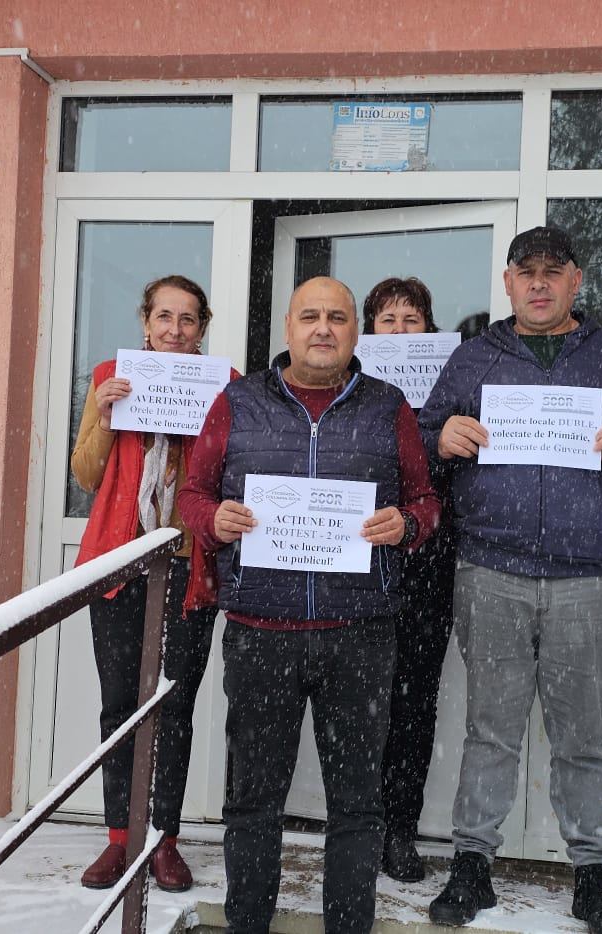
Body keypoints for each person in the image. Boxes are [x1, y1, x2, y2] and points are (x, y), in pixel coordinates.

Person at [178, 276, 442, 934]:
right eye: (310, 316)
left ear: (355, 333)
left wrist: (406, 525)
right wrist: (213, 520)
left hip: (360, 633)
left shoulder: (388, 406)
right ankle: (247, 924)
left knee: (357, 804)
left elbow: (425, 501)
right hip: (260, 632)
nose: (323, 328)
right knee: (253, 800)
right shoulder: (238, 401)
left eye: (338, 317)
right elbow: (193, 492)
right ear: (288, 328)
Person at [417, 226, 602, 934]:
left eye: (553, 271)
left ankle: (592, 875)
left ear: (576, 280)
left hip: (586, 578)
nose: (540, 283)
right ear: (509, 282)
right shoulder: (474, 356)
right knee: (490, 730)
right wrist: (440, 439)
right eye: (527, 272)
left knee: (581, 735)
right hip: (491, 570)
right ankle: (472, 866)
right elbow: (422, 441)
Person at [68, 274, 231, 893]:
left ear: (202, 328)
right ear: (145, 321)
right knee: (119, 704)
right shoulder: (110, 375)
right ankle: (120, 838)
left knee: (175, 705)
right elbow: (86, 474)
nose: (175, 330)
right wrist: (107, 415)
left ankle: (163, 839)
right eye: (164, 316)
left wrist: (210, 422)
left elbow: (230, 472)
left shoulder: (223, 385)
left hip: (188, 565)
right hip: (120, 563)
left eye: (188, 319)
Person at [360, 277, 457, 883]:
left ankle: (400, 829)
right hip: (358, 559)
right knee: (357, 701)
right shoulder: (352, 388)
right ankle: (359, 826)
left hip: (427, 564)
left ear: (429, 329)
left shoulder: (451, 391)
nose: (399, 331)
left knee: (415, 703)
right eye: (387, 320)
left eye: (411, 320)